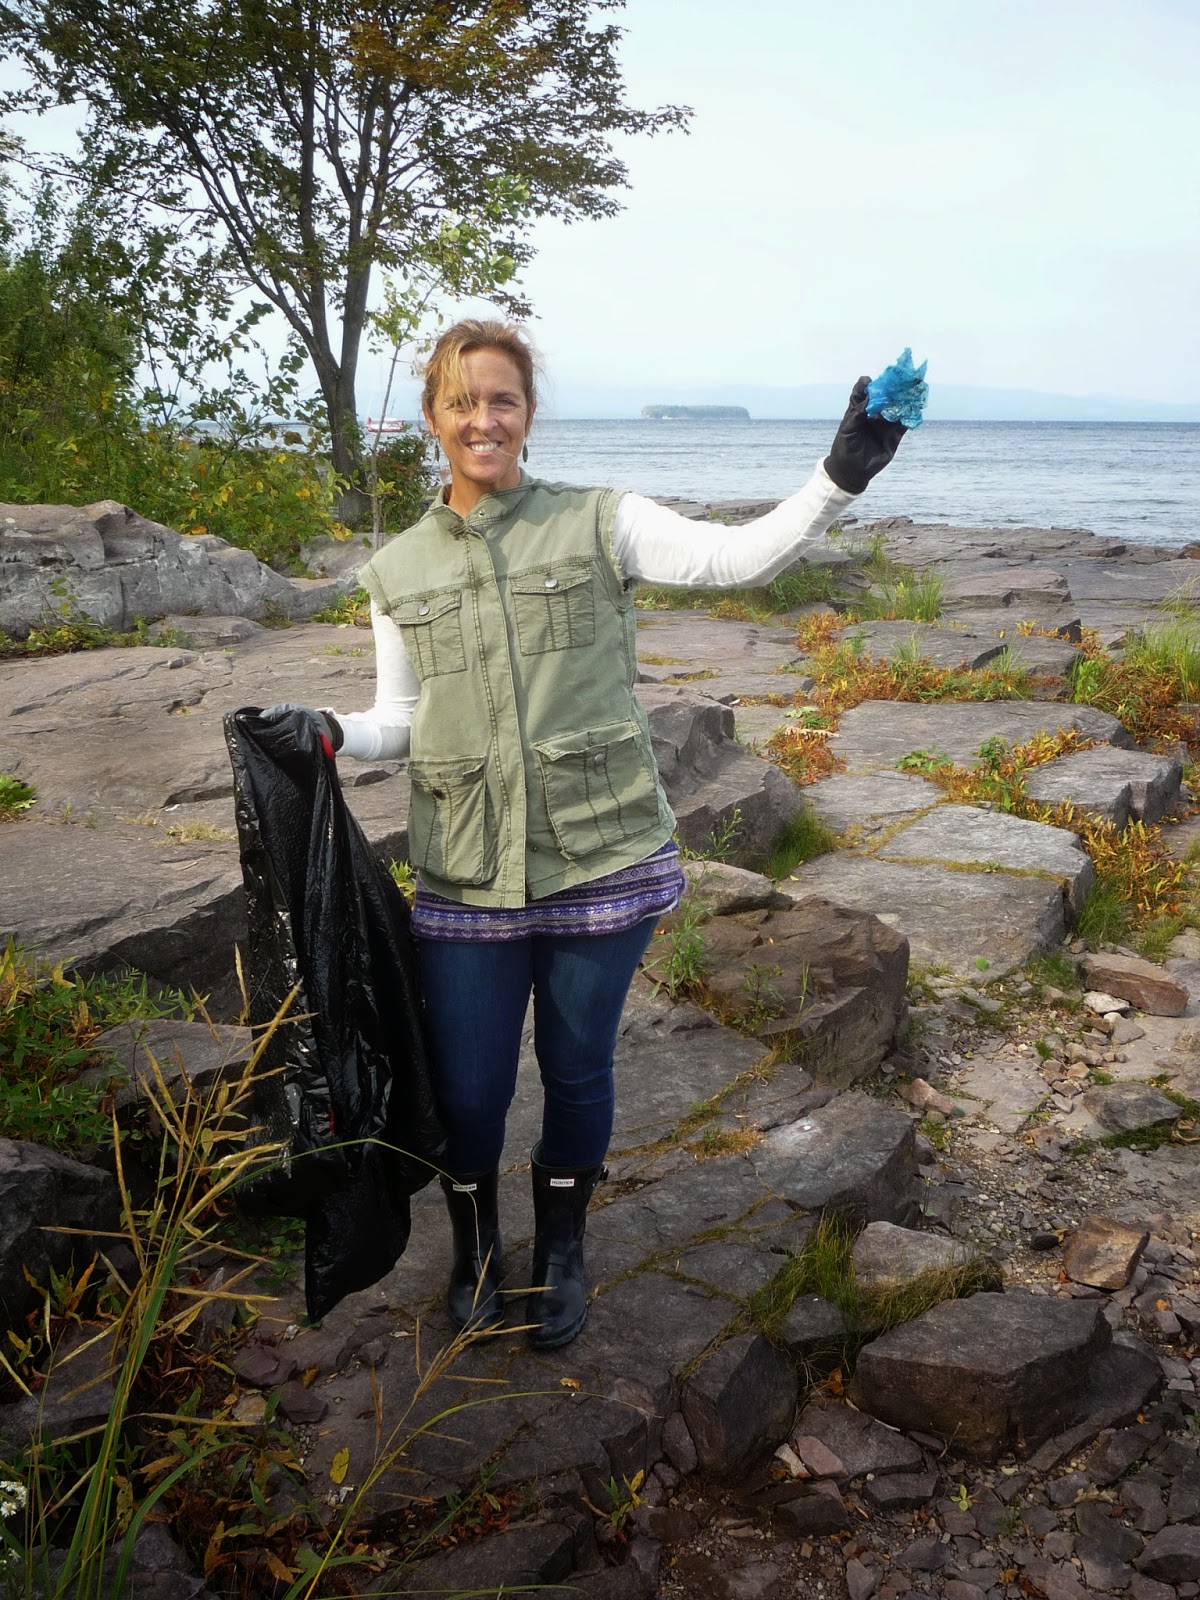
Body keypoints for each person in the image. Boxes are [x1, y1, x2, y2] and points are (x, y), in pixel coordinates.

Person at [270, 318, 906, 1350]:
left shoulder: (600, 521)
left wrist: (836, 478)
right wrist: (336, 730)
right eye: (464, 401)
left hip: (598, 857)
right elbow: (404, 717)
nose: (485, 418)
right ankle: (476, 1242)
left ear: (527, 413)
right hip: (467, 871)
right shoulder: (396, 569)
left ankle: (561, 1242)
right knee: (469, 1090)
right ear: (434, 417)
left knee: (577, 1071)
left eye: (504, 399)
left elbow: (735, 557)